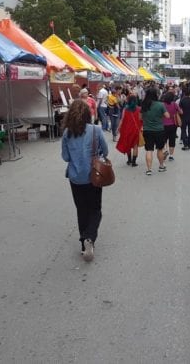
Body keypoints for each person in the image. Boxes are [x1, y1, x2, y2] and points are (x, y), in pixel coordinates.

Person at [61, 99, 108, 262]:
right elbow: (106, 151)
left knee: (81, 209)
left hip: (75, 178)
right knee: (95, 209)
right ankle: (89, 238)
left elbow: (65, 157)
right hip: (93, 176)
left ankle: (83, 245)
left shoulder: (67, 133)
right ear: (88, 114)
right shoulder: (96, 130)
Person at [140, 87, 170, 176]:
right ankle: (161, 166)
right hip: (159, 130)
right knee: (160, 149)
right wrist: (159, 116)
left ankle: (149, 169)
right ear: (156, 95)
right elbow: (167, 116)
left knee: (149, 150)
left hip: (147, 130)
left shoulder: (144, 105)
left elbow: (140, 118)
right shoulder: (160, 105)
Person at [116, 94, 142, 167]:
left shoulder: (125, 109)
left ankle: (129, 160)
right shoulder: (139, 109)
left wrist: (118, 127)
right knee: (135, 146)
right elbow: (141, 119)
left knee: (128, 145)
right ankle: (134, 162)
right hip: (136, 130)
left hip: (127, 130)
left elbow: (122, 119)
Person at [162, 91, 181, 161]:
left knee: (164, 140)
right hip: (173, 125)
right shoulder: (174, 104)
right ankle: (171, 156)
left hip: (163, 125)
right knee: (172, 140)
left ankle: (165, 150)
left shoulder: (162, 104)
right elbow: (181, 112)